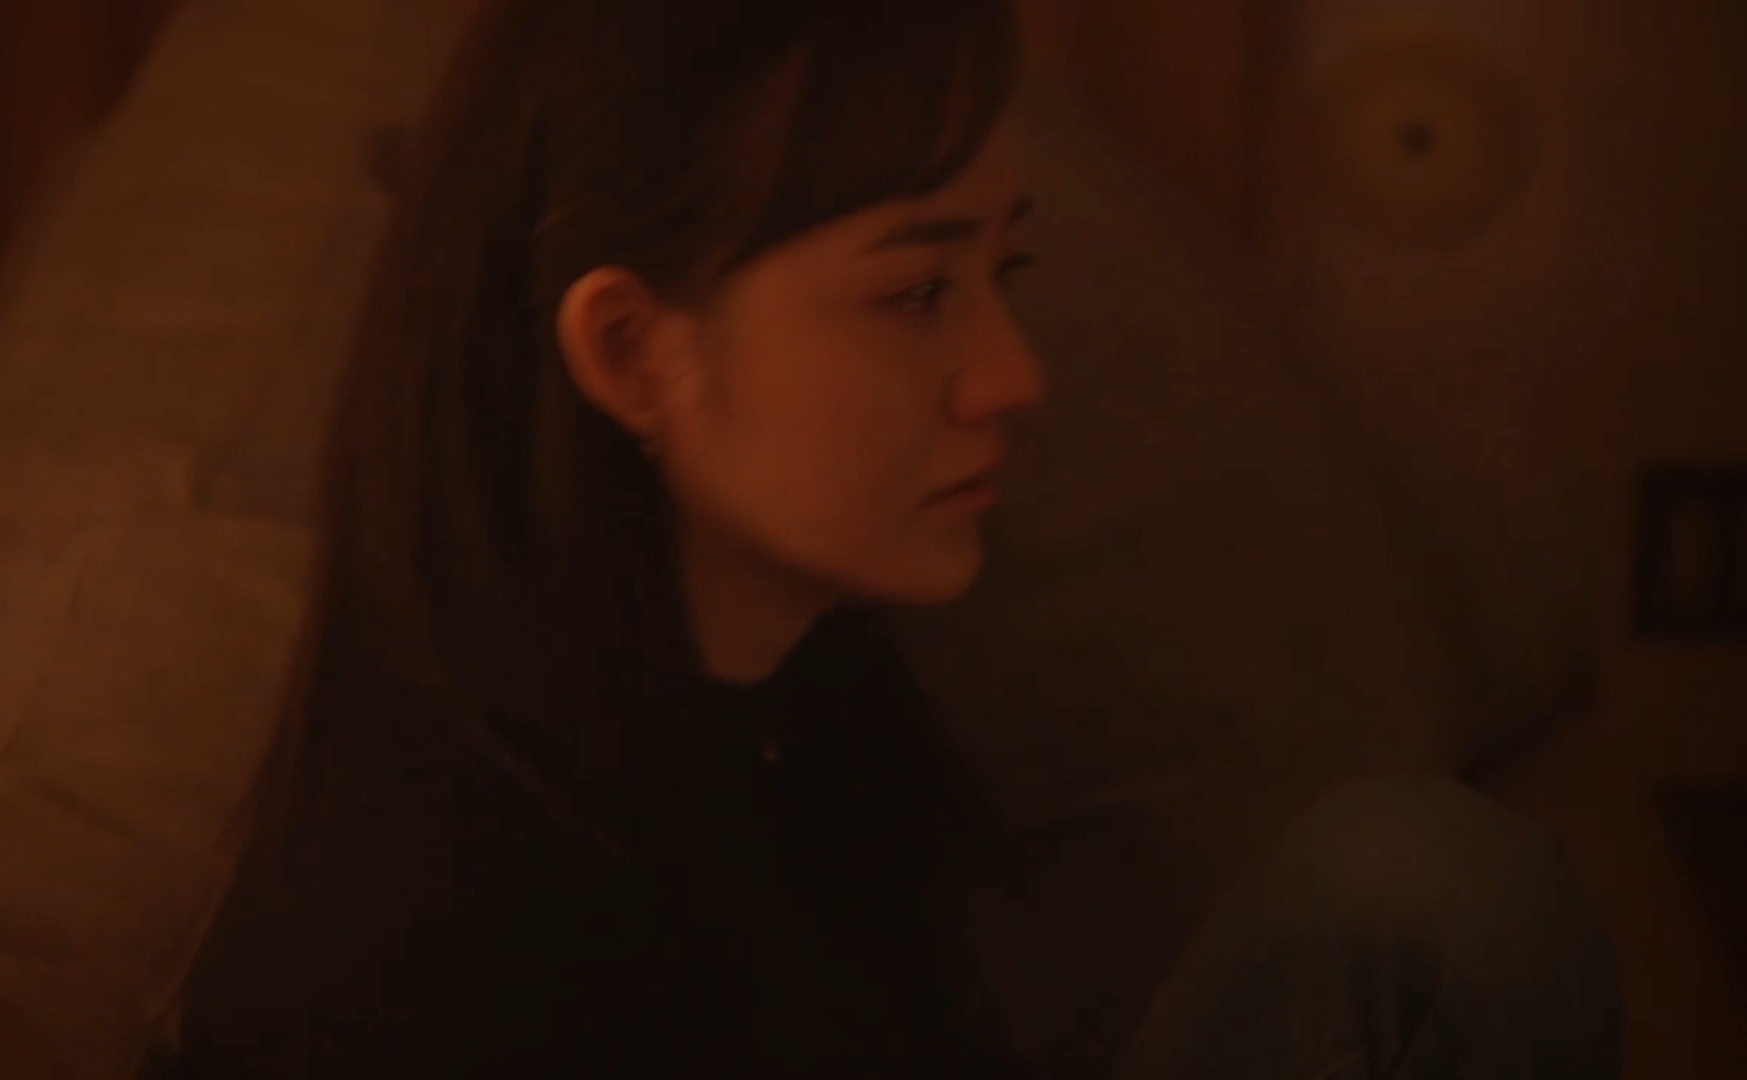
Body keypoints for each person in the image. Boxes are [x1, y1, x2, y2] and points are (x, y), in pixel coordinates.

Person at [157, 1, 1624, 1076]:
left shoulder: (797, 688)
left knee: (1423, 894)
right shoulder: (442, 945)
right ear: (630, 351)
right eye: (917, 293)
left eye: (1005, 273)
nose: (1013, 376)